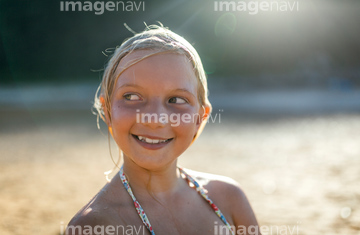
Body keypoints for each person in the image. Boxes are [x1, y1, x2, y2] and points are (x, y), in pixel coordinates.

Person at [66, 24, 260, 235]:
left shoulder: (229, 199)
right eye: (132, 97)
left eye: (176, 99)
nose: (155, 119)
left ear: (200, 118)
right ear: (108, 111)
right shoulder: (94, 226)